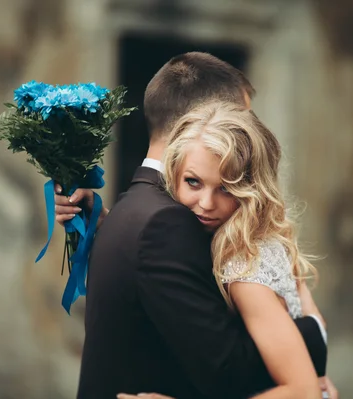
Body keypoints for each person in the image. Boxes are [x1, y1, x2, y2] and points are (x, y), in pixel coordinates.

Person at [54, 52, 335, 399]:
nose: (247, 136)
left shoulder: (134, 210)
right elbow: (231, 368)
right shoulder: (166, 223)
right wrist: (313, 335)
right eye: (240, 119)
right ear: (200, 122)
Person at [119, 101, 329, 399]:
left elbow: (302, 391)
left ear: (251, 192)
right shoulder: (231, 238)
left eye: (226, 188)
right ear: (174, 174)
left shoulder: (243, 269)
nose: (206, 203)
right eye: (193, 182)